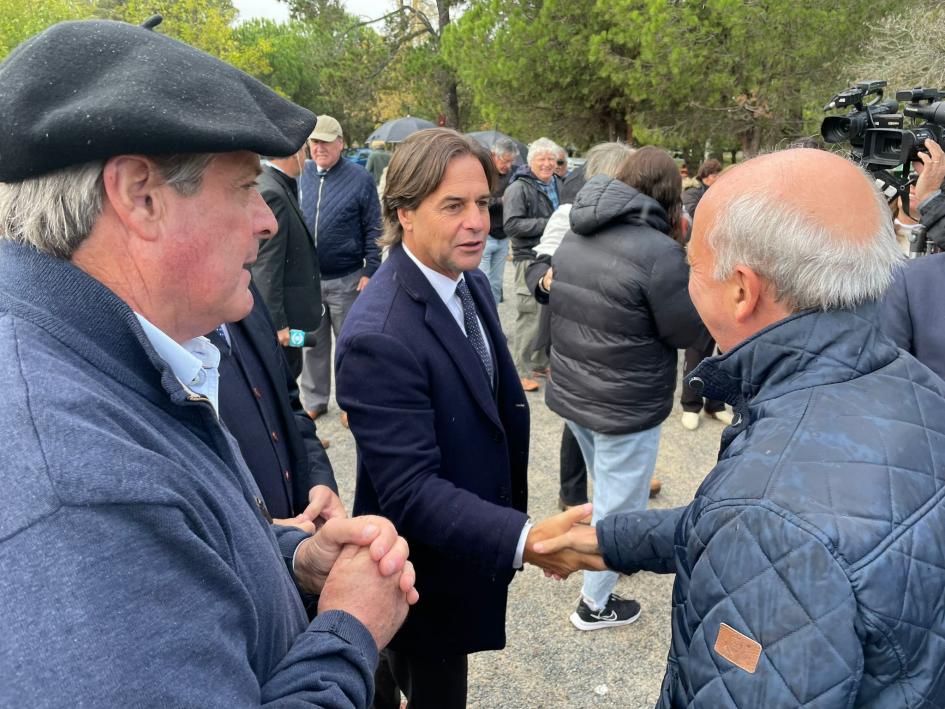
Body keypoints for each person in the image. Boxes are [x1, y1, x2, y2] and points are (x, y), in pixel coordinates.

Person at [0, 17, 418, 705]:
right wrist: (349, 626)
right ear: (140, 196)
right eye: (244, 187)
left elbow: (172, 556)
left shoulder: (95, 360)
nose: (267, 219)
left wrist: (290, 560)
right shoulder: (82, 482)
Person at [534, 148, 945, 707]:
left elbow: (767, 534)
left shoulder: (766, 510)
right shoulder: (917, 384)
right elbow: (770, 533)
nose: (687, 277)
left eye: (693, 265)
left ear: (742, 290)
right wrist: (608, 541)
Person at [335, 128, 596, 709]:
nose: (477, 221)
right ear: (404, 212)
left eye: (482, 202)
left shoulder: (469, 281)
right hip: (422, 575)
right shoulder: (379, 334)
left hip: (467, 547)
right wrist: (524, 539)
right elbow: (409, 491)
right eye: (453, 206)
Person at [543, 147, 706, 630]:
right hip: (623, 402)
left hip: (577, 392)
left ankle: (610, 554)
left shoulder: (578, 229)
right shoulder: (657, 252)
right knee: (621, 504)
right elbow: (688, 333)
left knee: (607, 488)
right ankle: (594, 604)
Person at [212, 285, 344, 540]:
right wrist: (266, 537)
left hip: (302, 536)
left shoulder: (242, 286)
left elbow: (290, 405)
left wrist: (318, 480)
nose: (262, 243)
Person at [298, 115, 382, 423]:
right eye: (314, 142)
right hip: (308, 282)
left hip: (347, 278)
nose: (319, 147)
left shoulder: (360, 179)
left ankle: (351, 401)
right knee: (311, 344)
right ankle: (315, 400)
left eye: (325, 141)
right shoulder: (302, 175)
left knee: (349, 344)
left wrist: (371, 269)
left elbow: (374, 227)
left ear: (340, 143)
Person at [251, 145, 322, 379]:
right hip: (284, 323)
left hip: (289, 317)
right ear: (295, 153)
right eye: (305, 152)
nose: (307, 158)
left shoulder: (274, 183)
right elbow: (267, 265)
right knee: (285, 380)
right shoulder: (273, 192)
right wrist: (277, 323)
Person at [504, 137, 563, 392]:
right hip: (528, 257)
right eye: (542, 159)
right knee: (529, 315)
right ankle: (519, 371)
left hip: (552, 256)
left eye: (551, 159)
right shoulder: (519, 188)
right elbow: (512, 225)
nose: (548, 163)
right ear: (531, 162)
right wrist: (549, 223)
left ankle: (539, 362)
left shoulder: (558, 183)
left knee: (546, 313)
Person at [882, 137, 945, 378]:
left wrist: (931, 198)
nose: (915, 186)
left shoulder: (915, 277)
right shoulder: (878, 235)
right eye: (911, 180)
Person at [679, 158, 730, 430]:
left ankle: (716, 403)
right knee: (698, 347)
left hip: (729, 281)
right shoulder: (694, 197)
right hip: (703, 278)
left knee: (724, 348)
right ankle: (691, 404)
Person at [478, 137, 517, 304]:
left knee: (495, 284)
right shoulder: (483, 172)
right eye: (505, 161)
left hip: (503, 237)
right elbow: (478, 201)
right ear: (494, 155)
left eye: (511, 161)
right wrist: (500, 200)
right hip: (485, 235)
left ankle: (492, 323)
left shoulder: (514, 174)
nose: (507, 165)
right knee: (481, 282)